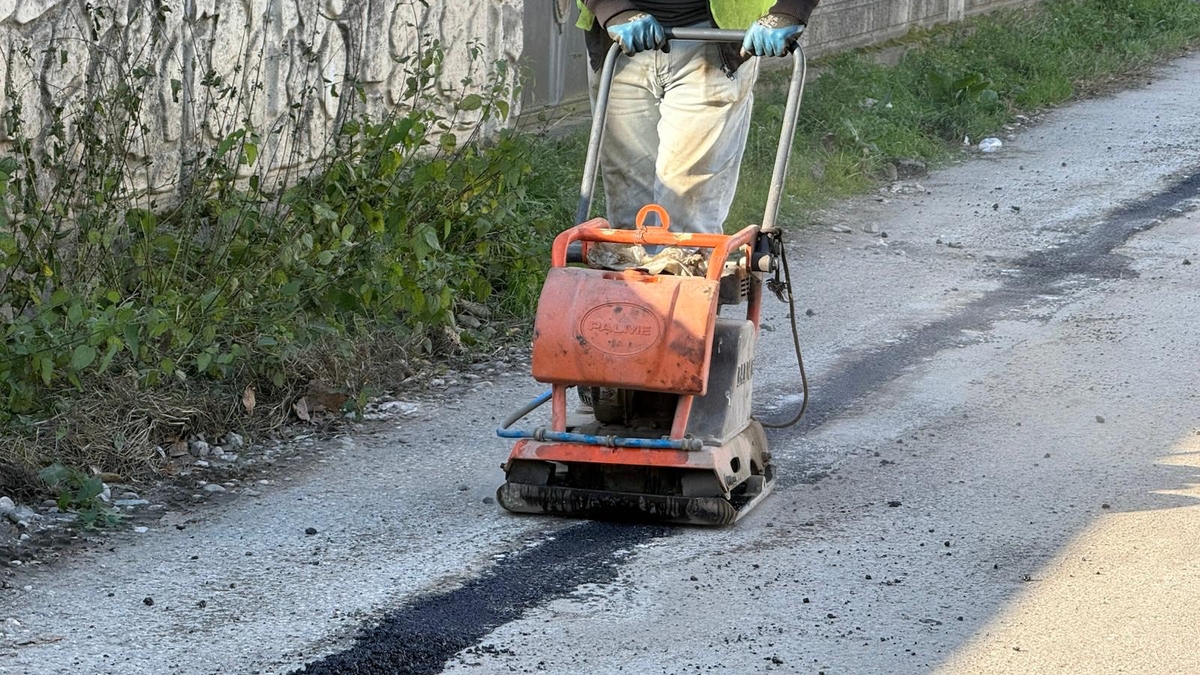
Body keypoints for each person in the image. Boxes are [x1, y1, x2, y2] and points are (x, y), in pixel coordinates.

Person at [576, 1, 818, 235]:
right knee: (628, 215)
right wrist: (612, 8)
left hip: (714, 45)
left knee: (687, 213)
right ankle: (632, 272)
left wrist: (791, 9)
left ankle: (686, 271)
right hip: (621, 42)